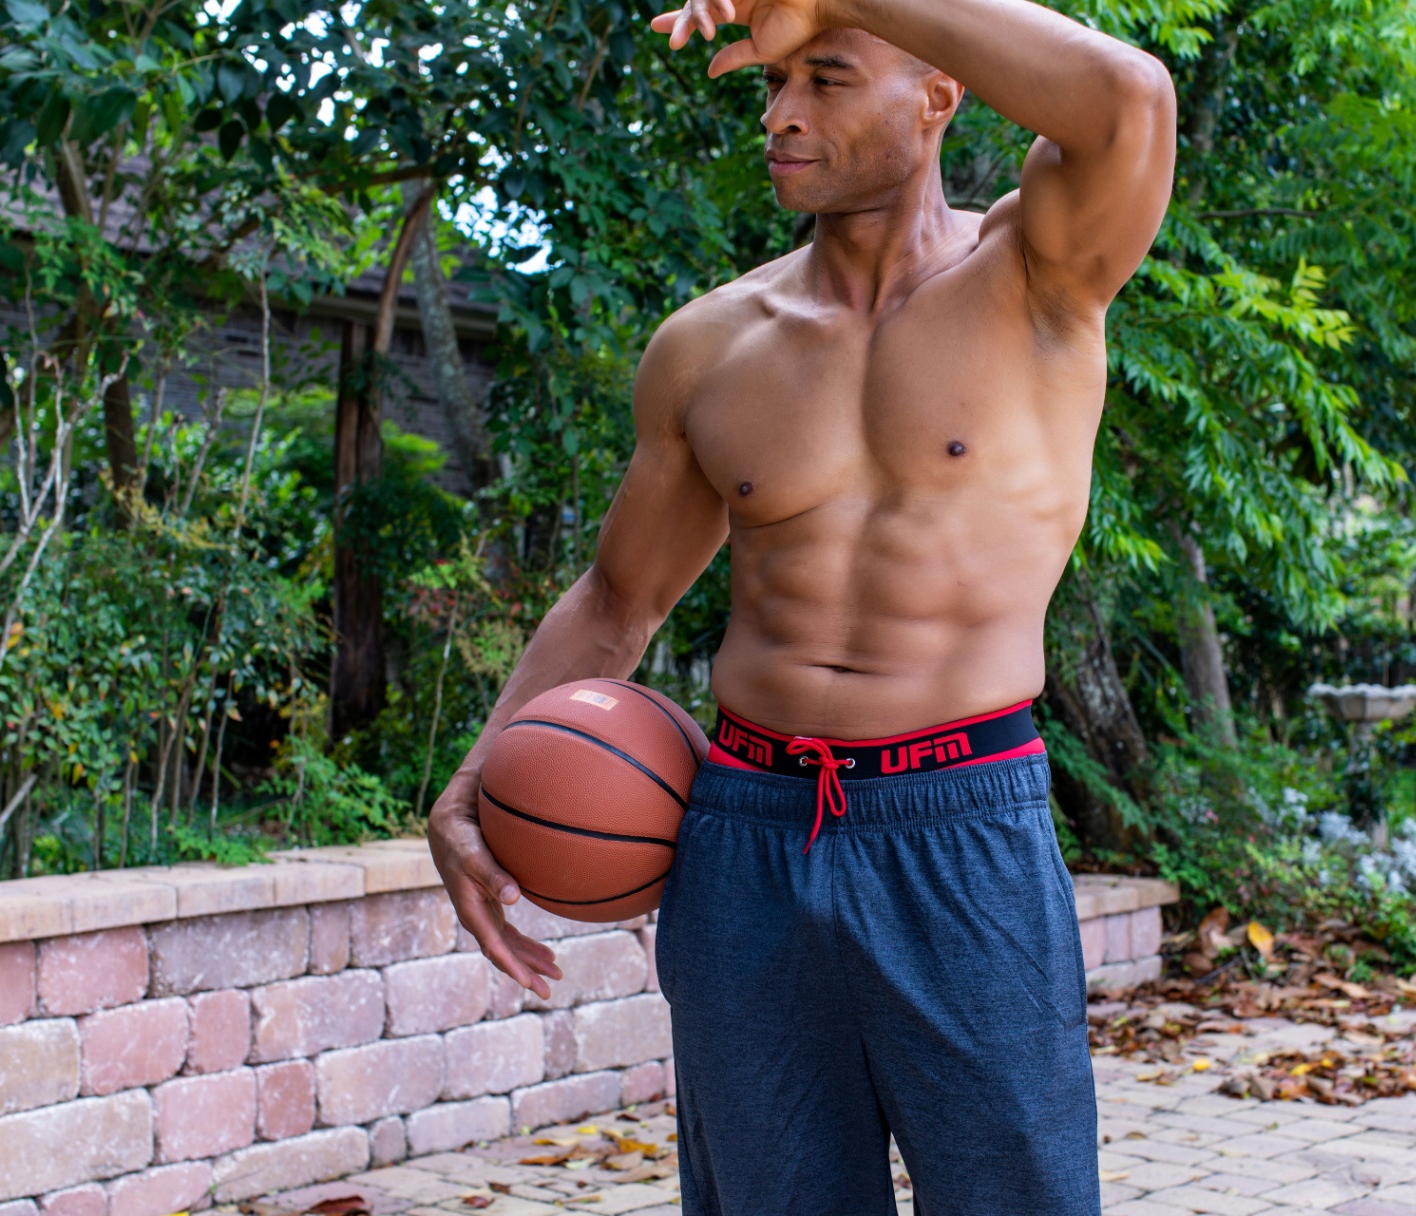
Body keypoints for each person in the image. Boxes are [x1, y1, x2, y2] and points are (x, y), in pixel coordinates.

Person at [429, 0, 1174, 1208]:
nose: (781, 116)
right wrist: (472, 778)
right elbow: (622, 597)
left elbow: (1127, 98)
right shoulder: (712, 345)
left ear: (937, 97)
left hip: (960, 825)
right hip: (747, 835)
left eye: (826, 79)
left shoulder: (1040, 274)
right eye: (775, 87)